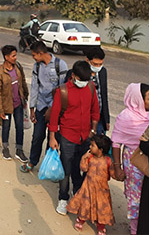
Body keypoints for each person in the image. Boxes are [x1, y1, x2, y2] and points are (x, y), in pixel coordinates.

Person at [112, 83, 149, 235]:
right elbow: (116, 142)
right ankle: (136, 229)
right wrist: (117, 167)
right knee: (136, 198)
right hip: (134, 162)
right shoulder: (126, 117)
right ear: (137, 100)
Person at [48, 60, 100, 216]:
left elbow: (95, 111)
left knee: (82, 166)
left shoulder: (90, 87)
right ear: (73, 76)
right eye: (81, 80)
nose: (84, 83)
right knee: (66, 169)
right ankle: (63, 198)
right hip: (67, 136)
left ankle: (77, 196)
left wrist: (93, 130)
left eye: (86, 80)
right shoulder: (62, 91)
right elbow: (54, 116)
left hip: (85, 137)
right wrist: (52, 137)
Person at [20, 41, 68, 173]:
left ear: (41, 53)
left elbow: (63, 89)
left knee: (53, 139)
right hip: (41, 106)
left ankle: (50, 166)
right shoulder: (37, 67)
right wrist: (32, 108)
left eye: (34, 55)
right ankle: (32, 161)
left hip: (56, 109)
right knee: (37, 137)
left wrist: (53, 108)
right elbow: (35, 87)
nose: (33, 57)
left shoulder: (60, 65)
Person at [66, 135, 115, 235]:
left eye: (92, 146)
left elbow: (112, 174)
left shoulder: (108, 161)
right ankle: (81, 220)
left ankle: (101, 226)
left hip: (102, 190)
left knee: (102, 208)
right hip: (88, 187)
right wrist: (84, 158)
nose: (90, 147)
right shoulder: (90, 158)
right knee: (85, 205)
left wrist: (120, 173)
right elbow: (84, 169)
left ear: (100, 149)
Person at [0, 45, 29, 162]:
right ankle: (5, 148)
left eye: (15, 55)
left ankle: (19, 150)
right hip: (6, 107)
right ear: (6, 57)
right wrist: (0, 110)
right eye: (13, 56)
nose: (15, 58)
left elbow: (22, 81)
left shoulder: (18, 67)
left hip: (18, 104)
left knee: (19, 127)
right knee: (6, 128)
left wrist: (25, 96)